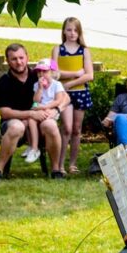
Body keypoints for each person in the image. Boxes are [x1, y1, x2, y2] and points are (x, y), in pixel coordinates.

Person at [0, 43, 64, 182]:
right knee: (17, 126)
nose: (19, 62)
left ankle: (56, 169)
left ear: (27, 57)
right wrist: (30, 114)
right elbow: (4, 112)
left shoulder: (40, 75)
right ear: (8, 61)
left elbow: (65, 97)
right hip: (13, 122)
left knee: (51, 126)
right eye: (14, 59)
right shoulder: (3, 82)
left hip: (40, 121)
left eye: (21, 57)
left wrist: (56, 110)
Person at [52, 17, 93, 174]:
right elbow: (54, 73)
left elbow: (89, 75)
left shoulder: (84, 51)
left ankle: (72, 164)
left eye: (75, 30)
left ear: (79, 32)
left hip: (80, 93)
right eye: (69, 30)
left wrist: (69, 83)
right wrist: (75, 73)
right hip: (63, 95)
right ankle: (60, 164)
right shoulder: (57, 50)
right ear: (63, 31)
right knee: (66, 128)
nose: (72, 33)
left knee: (76, 129)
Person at [23, 58, 70, 164]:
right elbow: (35, 101)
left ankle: (36, 149)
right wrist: (39, 88)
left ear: (53, 73)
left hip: (50, 110)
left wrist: (44, 107)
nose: (41, 74)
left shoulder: (57, 85)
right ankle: (34, 148)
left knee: (42, 121)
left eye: (45, 71)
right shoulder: (36, 85)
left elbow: (58, 101)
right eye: (39, 71)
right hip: (39, 107)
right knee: (30, 119)